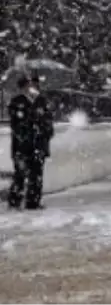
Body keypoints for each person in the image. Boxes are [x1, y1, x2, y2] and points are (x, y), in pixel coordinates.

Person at [7, 71, 54, 210]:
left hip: (38, 144)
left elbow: (48, 122)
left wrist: (45, 132)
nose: (32, 87)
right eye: (29, 84)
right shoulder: (17, 102)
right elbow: (16, 124)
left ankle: (33, 202)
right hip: (22, 145)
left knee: (36, 175)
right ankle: (15, 200)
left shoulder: (42, 101)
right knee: (20, 174)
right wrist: (30, 126)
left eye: (35, 84)